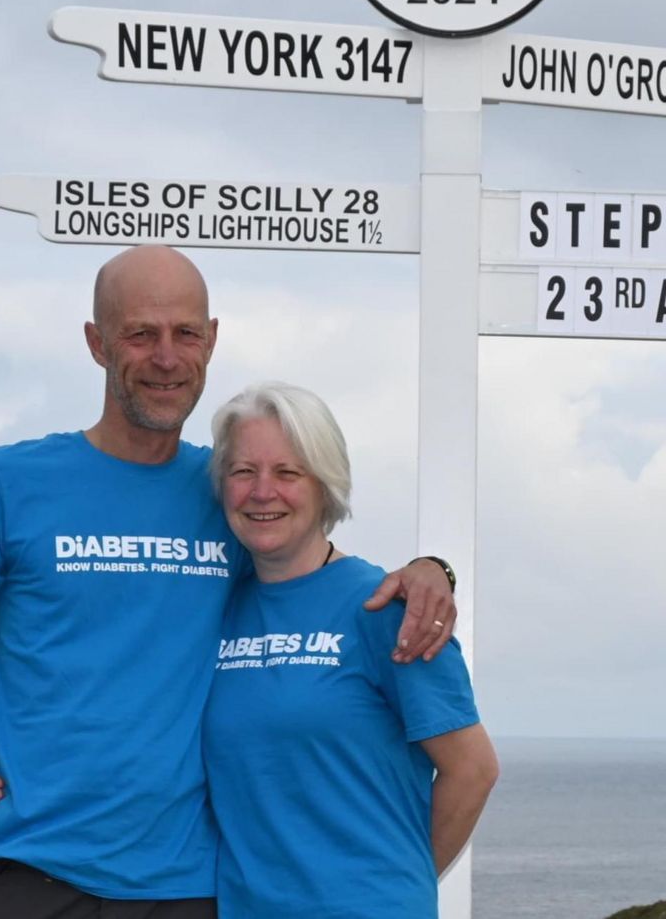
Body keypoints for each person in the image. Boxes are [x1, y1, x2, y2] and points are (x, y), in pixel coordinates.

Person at [0, 246, 457, 919]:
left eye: (185, 332)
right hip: (21, 868)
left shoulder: (230, 491)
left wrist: (432, 570)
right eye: (140, 333)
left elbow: (318, 574)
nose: (166, 356)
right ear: (96, 342)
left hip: (186, 887)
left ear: (211, 340)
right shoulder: (6, 482)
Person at [203, 380, 496, 917]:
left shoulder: (385, 608)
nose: (262, 491)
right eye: (243, 472)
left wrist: (395, 886)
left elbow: (473, 770)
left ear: (325, 485)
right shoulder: (213, 610)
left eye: (288, 472)